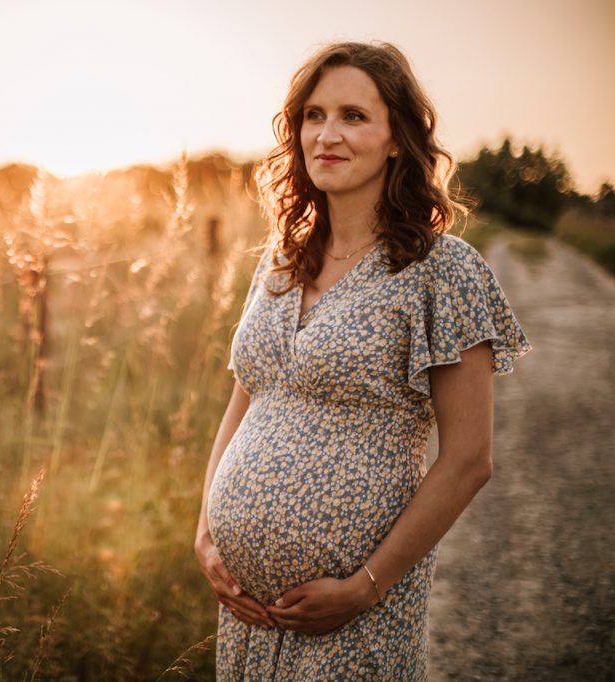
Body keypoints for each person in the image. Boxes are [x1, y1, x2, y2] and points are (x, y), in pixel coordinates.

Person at [194, 41, 531, 680]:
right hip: (244, 610)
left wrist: (365, 587)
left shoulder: (442, 272)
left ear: (397, 137)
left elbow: (468, 460)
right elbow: (247, 397)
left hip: (354, 615)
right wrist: (206, 530)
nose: (328, 134)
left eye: (353, 116)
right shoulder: (281, 260)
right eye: (313, 115)